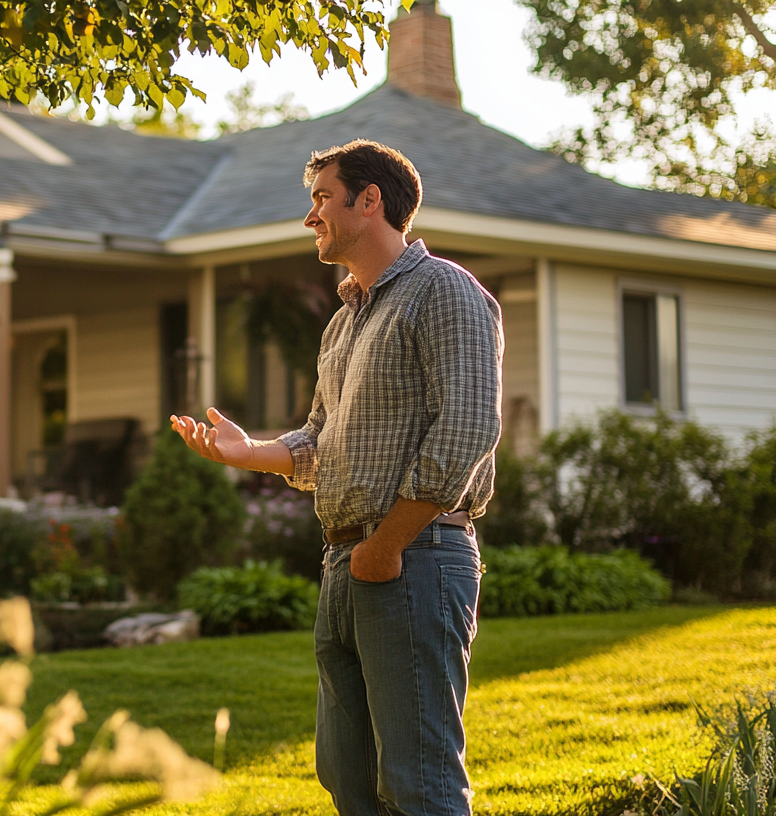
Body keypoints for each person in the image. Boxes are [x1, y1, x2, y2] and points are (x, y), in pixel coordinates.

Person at [172, 139, 502, 816]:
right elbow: (322, 440)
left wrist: (386, 548)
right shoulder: (346, 321)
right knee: (349, 782)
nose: (310, 216)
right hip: (346, 561)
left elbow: (467, 429)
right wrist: (250, 451)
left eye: (322, 197)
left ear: (370, 200)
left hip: (416, 558)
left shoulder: (444, 291)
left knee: (420, 784)